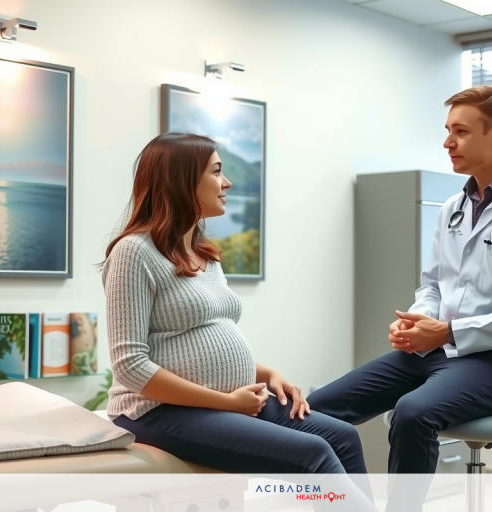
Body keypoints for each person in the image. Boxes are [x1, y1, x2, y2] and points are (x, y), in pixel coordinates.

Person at [307, 85, 492, 510]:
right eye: (448, 130)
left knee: (413, 412)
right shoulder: (452, 206)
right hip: (438, 350)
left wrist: (448, 330)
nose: (447, 142)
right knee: (316, 409)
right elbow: (432, 285)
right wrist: (417, 320)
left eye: (461, 132)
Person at [102, 132, 375, 511]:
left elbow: (211, 337)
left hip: (226, 403)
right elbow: (131, 366)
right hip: (155, 411)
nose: (227, 182)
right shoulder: (134, 252)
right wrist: (226, 403)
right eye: (216, 172)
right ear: (182, 180)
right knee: (313, 453)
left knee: (343, 436)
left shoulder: (204, 254)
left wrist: (267, 375)